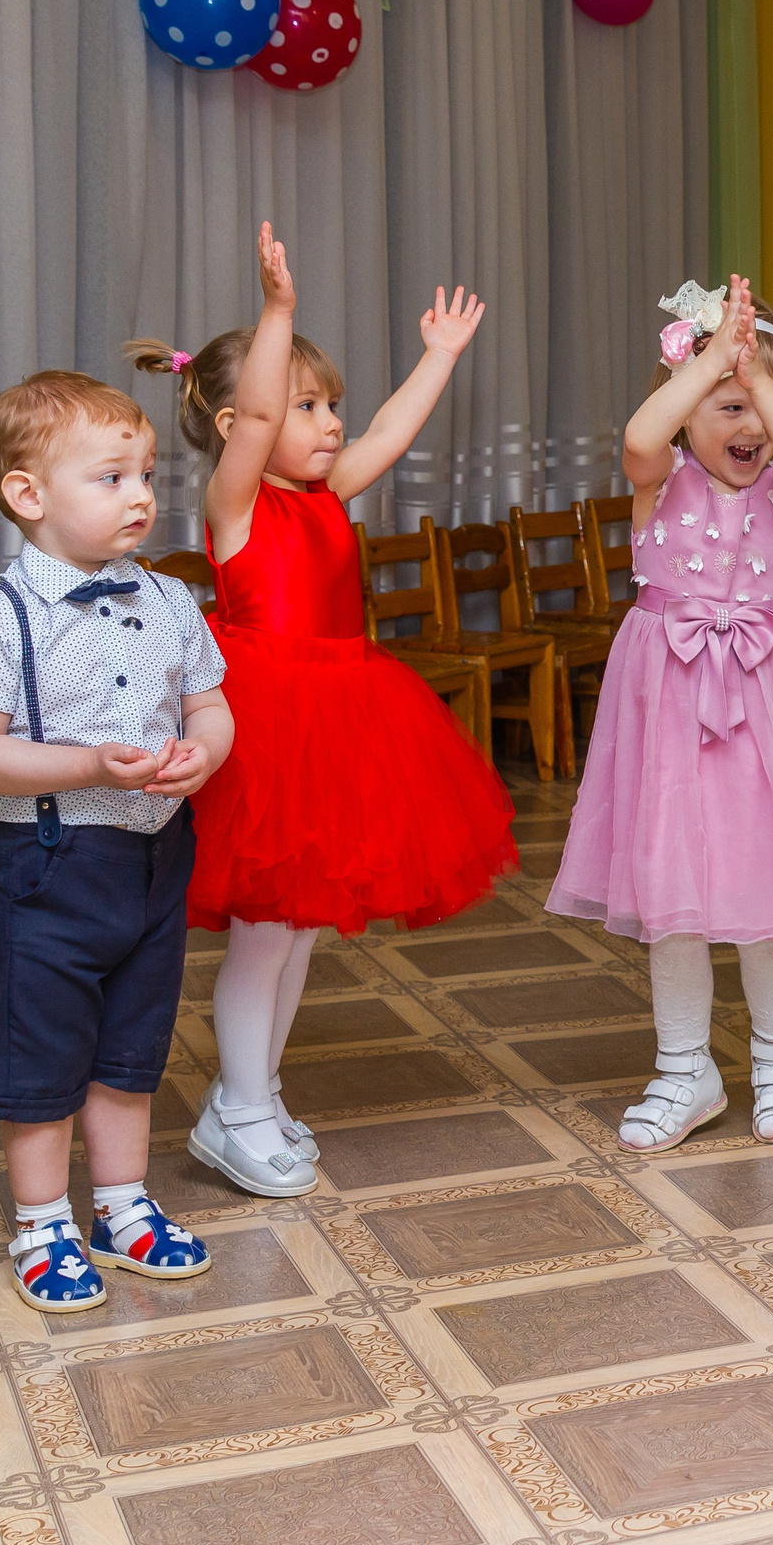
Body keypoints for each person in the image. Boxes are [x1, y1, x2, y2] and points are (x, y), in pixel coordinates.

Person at [126, 231, 514, 1197]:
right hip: (268, 727)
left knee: (295, 932)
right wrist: (278, 312)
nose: (332, 422)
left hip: (342, 712)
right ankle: (240, 1109)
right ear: (234, 425)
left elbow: (387, 433)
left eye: (329, 402)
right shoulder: (239, 500)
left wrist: (440, 357)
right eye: (309, 406)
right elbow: (258, 409)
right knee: (265, 930)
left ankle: (249, 1095)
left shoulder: (325, 494)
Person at [547, 279, 773, 1147]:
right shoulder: (658, 482)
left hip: (765, 704)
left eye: (764, 406)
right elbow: (638, 434)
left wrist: (757, 375)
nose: (750, 426)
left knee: (769, 890)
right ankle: (683, 1067)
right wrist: (708, 363)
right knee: (676, 896)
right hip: (670, 706)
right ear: (690, 402)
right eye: (726, 404)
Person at [0, 363, 235, 1311]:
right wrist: (82, 765)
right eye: (111, 477)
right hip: (51, 868)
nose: (141, 495)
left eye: (147, 474)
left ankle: (121, 1204)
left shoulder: (170, 599)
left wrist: (205, 752)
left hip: (153, 860)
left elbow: (212, 702)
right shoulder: (0, 618)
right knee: (42, 1054)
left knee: (129, 1046)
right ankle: (41, 1222)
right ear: (28, 494)